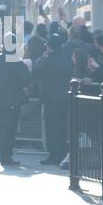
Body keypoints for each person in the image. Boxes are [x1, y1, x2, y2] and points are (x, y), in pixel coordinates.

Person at [0, 40, 31, 167]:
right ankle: (6, 157)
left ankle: (4, 156)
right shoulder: (15, 61)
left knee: (2, 129)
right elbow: (26, 78)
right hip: (12, 100)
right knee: (9, 130)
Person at [34, 33, 73, 165]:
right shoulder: (66, 59)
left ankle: (54, 154)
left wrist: (41, 58)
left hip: (50, 98)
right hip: (63, 97)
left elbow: (36, 71)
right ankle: (62, 152)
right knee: (61, 127)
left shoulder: (46, 60)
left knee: (51, 127)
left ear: (49, 47)